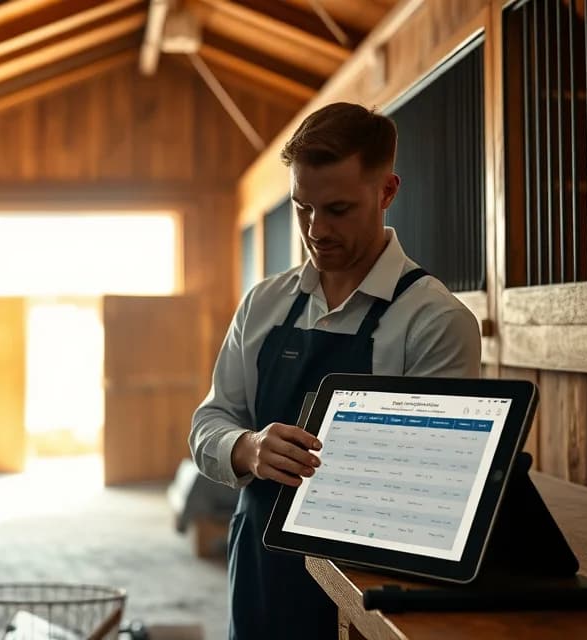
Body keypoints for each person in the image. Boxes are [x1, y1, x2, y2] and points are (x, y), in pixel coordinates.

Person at [190, 102, 482, 639]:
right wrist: (247, 448)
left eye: (338, 209)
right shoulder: (262, 305)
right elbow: (209, 422)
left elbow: (436, 490)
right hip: (259, 568)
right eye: (303, 207)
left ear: (387, 192)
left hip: (369, 586)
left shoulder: (435, 321)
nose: (315, 229)